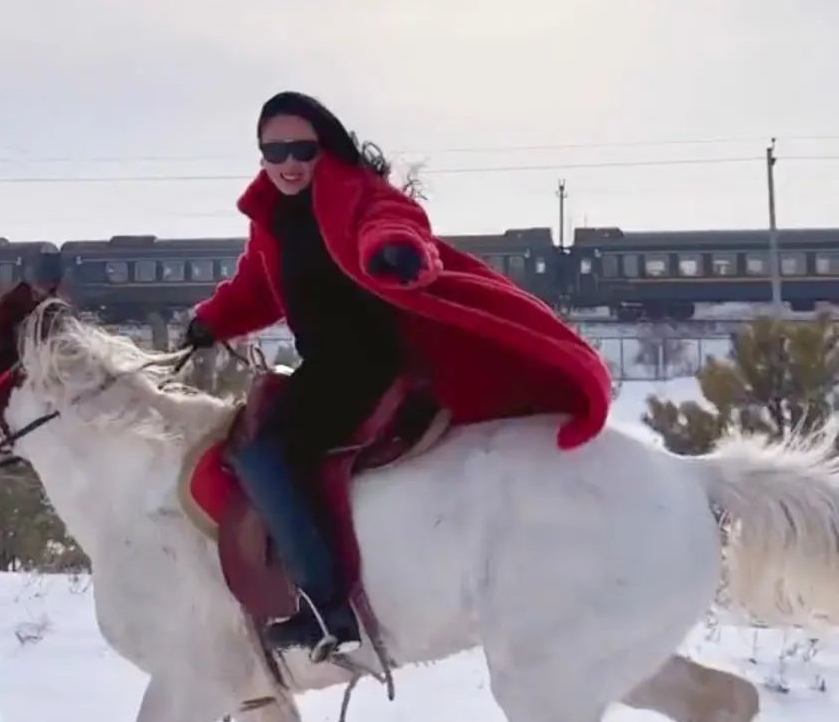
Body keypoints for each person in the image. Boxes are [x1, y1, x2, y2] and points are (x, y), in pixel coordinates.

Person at [186, 90, 612, 660]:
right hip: (324, 366)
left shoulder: (354, 190)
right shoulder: (272, 218)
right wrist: (212, 321)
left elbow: (391, 222)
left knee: (265, 454)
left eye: (301, 148)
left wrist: (396, 251)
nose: (288, 162)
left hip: (367, 363)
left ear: (326, 145)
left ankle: (326, 605)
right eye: (273, 150)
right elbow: (256, 288)